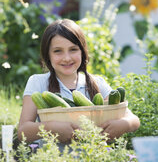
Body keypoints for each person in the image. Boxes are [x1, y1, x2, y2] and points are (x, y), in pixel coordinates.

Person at [18, 18, 140, 149]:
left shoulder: (98, 83)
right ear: (48, 55)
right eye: (58, 51)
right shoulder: (38, 83)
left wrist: (124, 124)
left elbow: (134, 120)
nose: (67, 58)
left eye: (73, 49)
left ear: (82, 51)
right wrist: (51, 128)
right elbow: (22, 131)